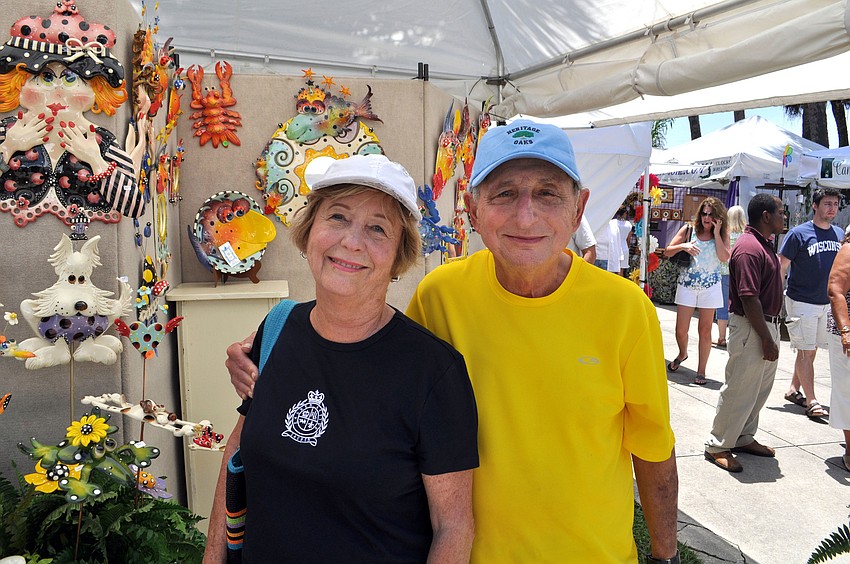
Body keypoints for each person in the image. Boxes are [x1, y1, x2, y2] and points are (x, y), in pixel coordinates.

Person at [229, 119, 679, 563]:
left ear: (578, 209)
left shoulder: (625, 310)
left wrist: (666, 557)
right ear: (473, 207)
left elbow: (654, 450)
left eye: (547, 193)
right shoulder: (441, 294)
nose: (526, 215)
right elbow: (373, 369)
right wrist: (271, 354)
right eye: (504, 193)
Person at [205, 154, 479, 563]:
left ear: (398, 256)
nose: (352, 241)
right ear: (309, 230)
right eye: (337, 217)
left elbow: (453, 527)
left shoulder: (433, 372)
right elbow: (237, 450)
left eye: (377, 228)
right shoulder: (277, 328)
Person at [0, 1, 146, 225]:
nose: (57, 91)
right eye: (45, 77)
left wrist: (95, 160)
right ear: (18, 85)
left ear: (96, 90)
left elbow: (135, 206)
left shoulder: (100, 141)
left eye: (71, 79)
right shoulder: (9, 130)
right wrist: (9, 146)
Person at [704, 194, 785, 473]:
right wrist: (765, 337)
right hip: (753, 326)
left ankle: (742, 436)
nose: (783, 217)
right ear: (766, 216)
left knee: (757, 389)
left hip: (764, 325)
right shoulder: (750, 248)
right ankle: (717, 444)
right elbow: (749, 297)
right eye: (780, 213)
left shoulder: (762, 244)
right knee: (739, 388)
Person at [779, 188, 843, 419]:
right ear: (815, 206)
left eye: (835, 204)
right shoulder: (798, 233)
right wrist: (776, 295)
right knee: (806, 352)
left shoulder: (838, 234)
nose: (832, 208)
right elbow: (782, 266)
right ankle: (812, 400)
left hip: (826, 303)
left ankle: (794, 389)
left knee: (811, 349)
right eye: (827, 203)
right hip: (801, 300)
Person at [663, 197, 731, 385]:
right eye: (704, 213)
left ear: (718, 217)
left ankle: (701, 371)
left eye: (711, 214)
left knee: (705, 330)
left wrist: (717, 233)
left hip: (710, 287)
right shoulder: (688, 229)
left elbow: (724, 257)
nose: (706, 218)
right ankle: (682, 353)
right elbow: (667, 251)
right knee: (681, 330)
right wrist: (683, 246)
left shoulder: (722, 233)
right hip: (687, 285)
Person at [826, 228, 850, 472]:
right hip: (846, 334)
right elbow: (835, 290)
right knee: (847, 392)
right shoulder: (849, 250)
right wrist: (846, 331)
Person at [715, 205, 747, 347]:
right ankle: (736, 337)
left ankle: (721, 337)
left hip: (723, 272)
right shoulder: (746, 235)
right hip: (740, 275)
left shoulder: (724, 234)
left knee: (722, 306)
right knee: (739, 305)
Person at [616, 205, 633, 276]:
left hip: (615, 247)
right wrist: (627, 247)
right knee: (622, 270)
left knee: (614, 269)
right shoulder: (629, 224)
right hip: (624, 247)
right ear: (625, 213)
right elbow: (628, 239)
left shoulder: (613, 223)